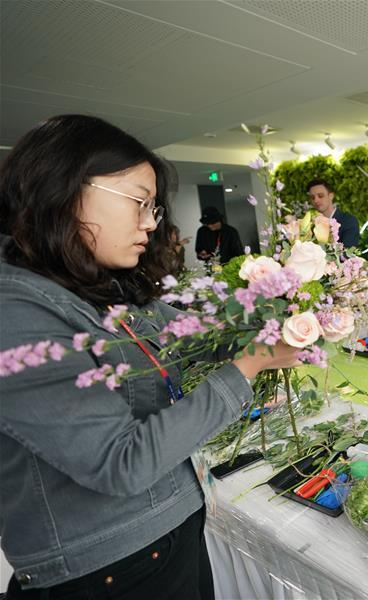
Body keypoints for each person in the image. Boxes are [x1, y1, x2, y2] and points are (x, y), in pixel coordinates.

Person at [0, 115, 302, 599]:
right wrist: (250, 364)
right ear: (65, 189)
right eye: (138, 202)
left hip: (169, 534)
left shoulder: (99, 285)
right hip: (107, 573)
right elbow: (122, 462)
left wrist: (280, 314)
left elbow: (196, 334)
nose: (149, 223)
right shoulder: (17, 310)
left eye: (153, 208)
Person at [307, 178, 360, 248]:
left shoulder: (348, 221)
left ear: (331, 196)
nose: (316, 200)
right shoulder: (311, 225)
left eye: (320, 196)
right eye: (312, 197)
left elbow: (348, 251)